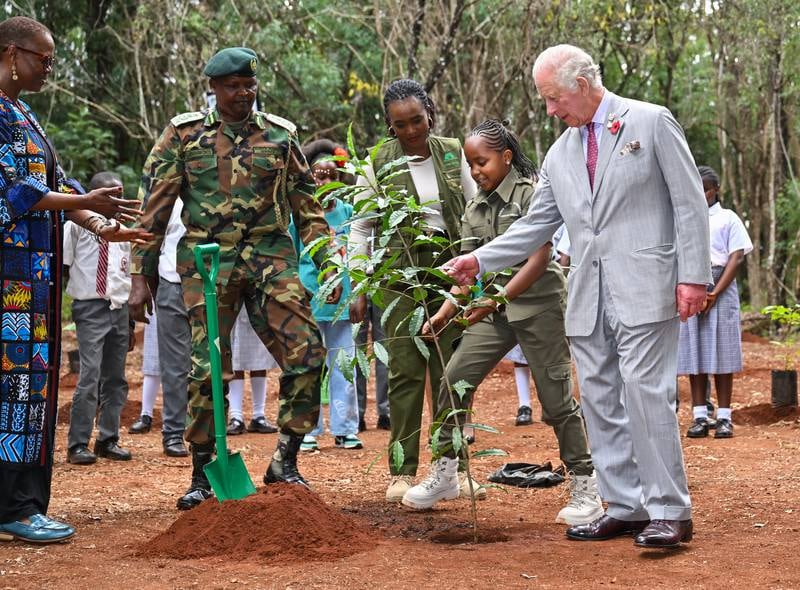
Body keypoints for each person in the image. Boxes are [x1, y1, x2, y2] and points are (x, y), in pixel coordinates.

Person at [444, 45, 711, 549]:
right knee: (601, 400)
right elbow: (537, 224)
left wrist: (693, 275)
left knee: (644, 392)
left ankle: (670, 510)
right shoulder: (560, 152)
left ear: (583, 84)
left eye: (553, 98)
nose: (549, 110)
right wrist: (481, 260)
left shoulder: (650, 123)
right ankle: (626, 506)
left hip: (646, 285)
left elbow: (688, 200)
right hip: (588, 295)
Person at [129, 47, 338, 510]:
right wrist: (140, 274)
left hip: (270, 258)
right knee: (207, 368)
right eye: (232, 86)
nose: (243, 93)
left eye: (249, 85)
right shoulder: (183, 137)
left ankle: (286, 458)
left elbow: (308, 208)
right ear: (214, 88)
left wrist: (328, 261)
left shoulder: (281, 138)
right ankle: (203, 471)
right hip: (208, 261)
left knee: (308, 350)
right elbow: (155, 209)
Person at [402, 119, 603, 526]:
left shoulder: (530, 195)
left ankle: (585, 484)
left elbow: (538, 257)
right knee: (452, 379)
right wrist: (444, 314)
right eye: (471, 164)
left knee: (556, 400)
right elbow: (467, 274)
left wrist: (494, 298)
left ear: (506, 157)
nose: (476, 171)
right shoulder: (474, 206)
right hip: (493, 312)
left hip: (539, 309)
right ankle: (446, 472)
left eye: (483, 162)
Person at [0, 15, 149, 544]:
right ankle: (15, 506)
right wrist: (82, 202)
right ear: (12, 53)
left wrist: (109, 228)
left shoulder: (24, 115)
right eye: (44, 58)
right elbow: (14, 194)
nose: (50, 67)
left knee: (30, 389)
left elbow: (59, 187)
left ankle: (21, 503)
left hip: (35, 290)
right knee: (14, 390)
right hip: (9, 284)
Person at [349, 79, 478, 502]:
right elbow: (362, 225)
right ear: (389, 125)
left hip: (449, 270)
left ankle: (452, 467)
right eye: (399, 124)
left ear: (430, 115)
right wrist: (359, 282)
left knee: (452, 370)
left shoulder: (453, 151)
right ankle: (401, 472)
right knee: (405, 370)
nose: (410, 132)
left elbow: (474, 210)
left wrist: (477, 267)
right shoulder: (377, 161)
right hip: (398, 275)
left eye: (416, 121)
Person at [294, 139, 362, 451]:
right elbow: (293, 258)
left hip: (344, 304)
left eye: (329, 176)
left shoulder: (349, 214)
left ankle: (345, 428)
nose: (323, 182)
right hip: (310, 301)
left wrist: (359, 293)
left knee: (344, 365)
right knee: (309, 366)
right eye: (317, 176)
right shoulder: (302, 216)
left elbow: (361, 255)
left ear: (339, 180)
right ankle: (308, 430)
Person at [64, 172, 134, 464]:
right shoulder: (76, 225)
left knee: (115, 378)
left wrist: (129, 320)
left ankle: (108, 439)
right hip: (90, 307)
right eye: (109, 195)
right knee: (90, 375)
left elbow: (124, 273)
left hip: (118, 308)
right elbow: (64, 266)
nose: (115, 201)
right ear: (93, 196)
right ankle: (78, 444)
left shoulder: (124, 229)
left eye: (119, 195)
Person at [680, 165, 752, 439]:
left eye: (706, 189)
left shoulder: (728, 218)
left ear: (716, 190)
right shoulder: (686, 218)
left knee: (722, 352)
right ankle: (699, 415)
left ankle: (724, 416)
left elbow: (736, 257)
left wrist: (714, 293)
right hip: (691, 284)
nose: (701, 194)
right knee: (694, 351)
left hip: (720, 285)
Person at [128, 199, 189, 457]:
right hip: (173, 283)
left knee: (213, 361)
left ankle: (205, 431)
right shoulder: (168, 196)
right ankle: (174, 432)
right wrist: (139, 283)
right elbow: (146, 236)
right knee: (175, 363)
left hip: (216, 286)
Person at [226, 306, 279, 435]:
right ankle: (236, 417)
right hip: (232, 303)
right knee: (235, 357)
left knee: (260, 357)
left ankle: (259, 416)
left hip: (256, 304)